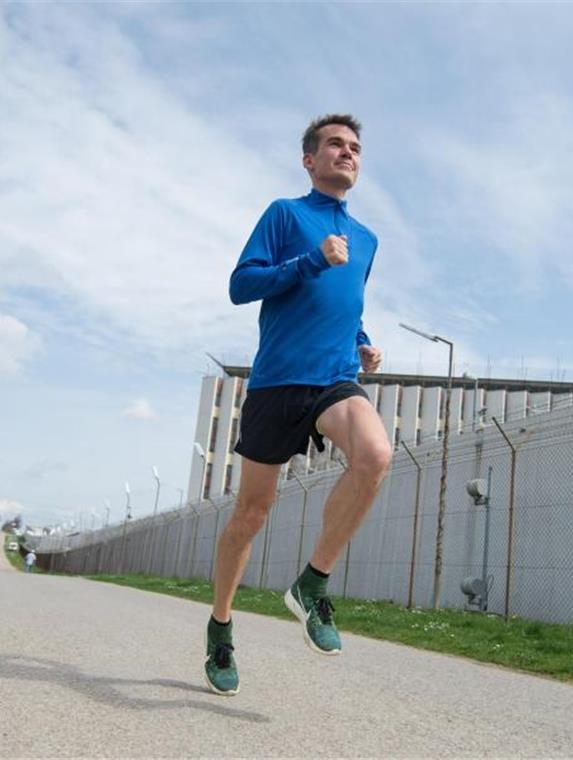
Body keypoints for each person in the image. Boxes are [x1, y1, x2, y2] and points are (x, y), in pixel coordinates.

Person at [204, 114, 393, 697]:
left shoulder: (366, 239)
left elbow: (347, 299)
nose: (348, 152)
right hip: (276, 383)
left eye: (355, 147)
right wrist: (311, 259)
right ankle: (220, 626)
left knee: (376, 454)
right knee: (252, 514)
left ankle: (312, 585)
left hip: (333, 379)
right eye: (335, 144)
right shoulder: (285, 215)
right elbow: (242, 285)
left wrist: (361, 339)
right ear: (309, 159)